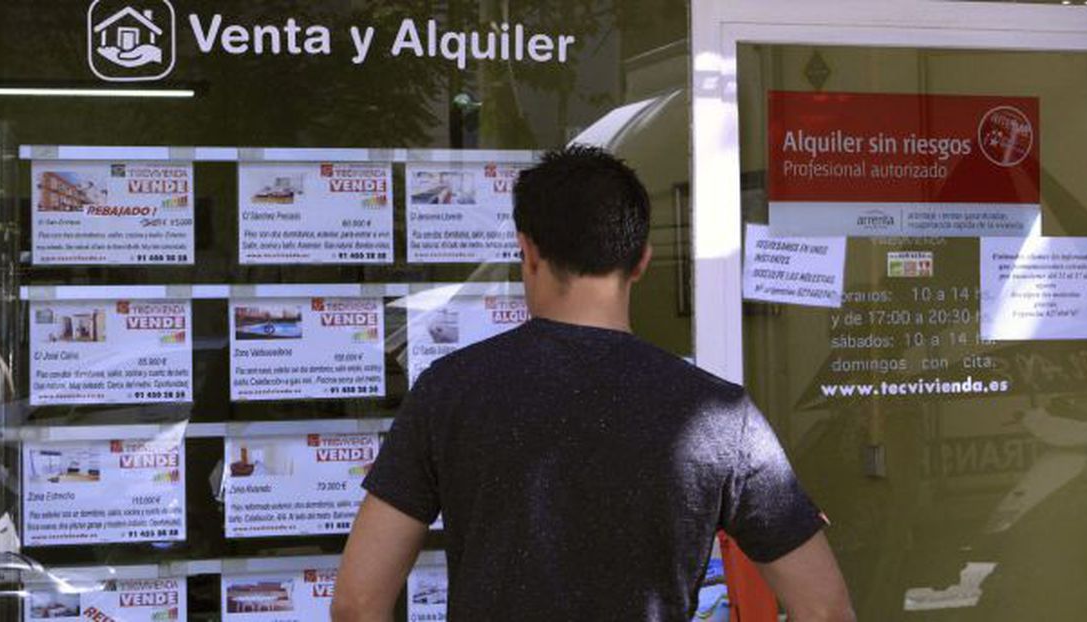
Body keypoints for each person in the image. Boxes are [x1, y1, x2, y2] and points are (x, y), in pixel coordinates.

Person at [333, 145, 854, 621]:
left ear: (528, 252)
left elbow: (358, 604)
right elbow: (825, 609)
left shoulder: (450, 391)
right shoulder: (719, 415)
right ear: (642, 260)